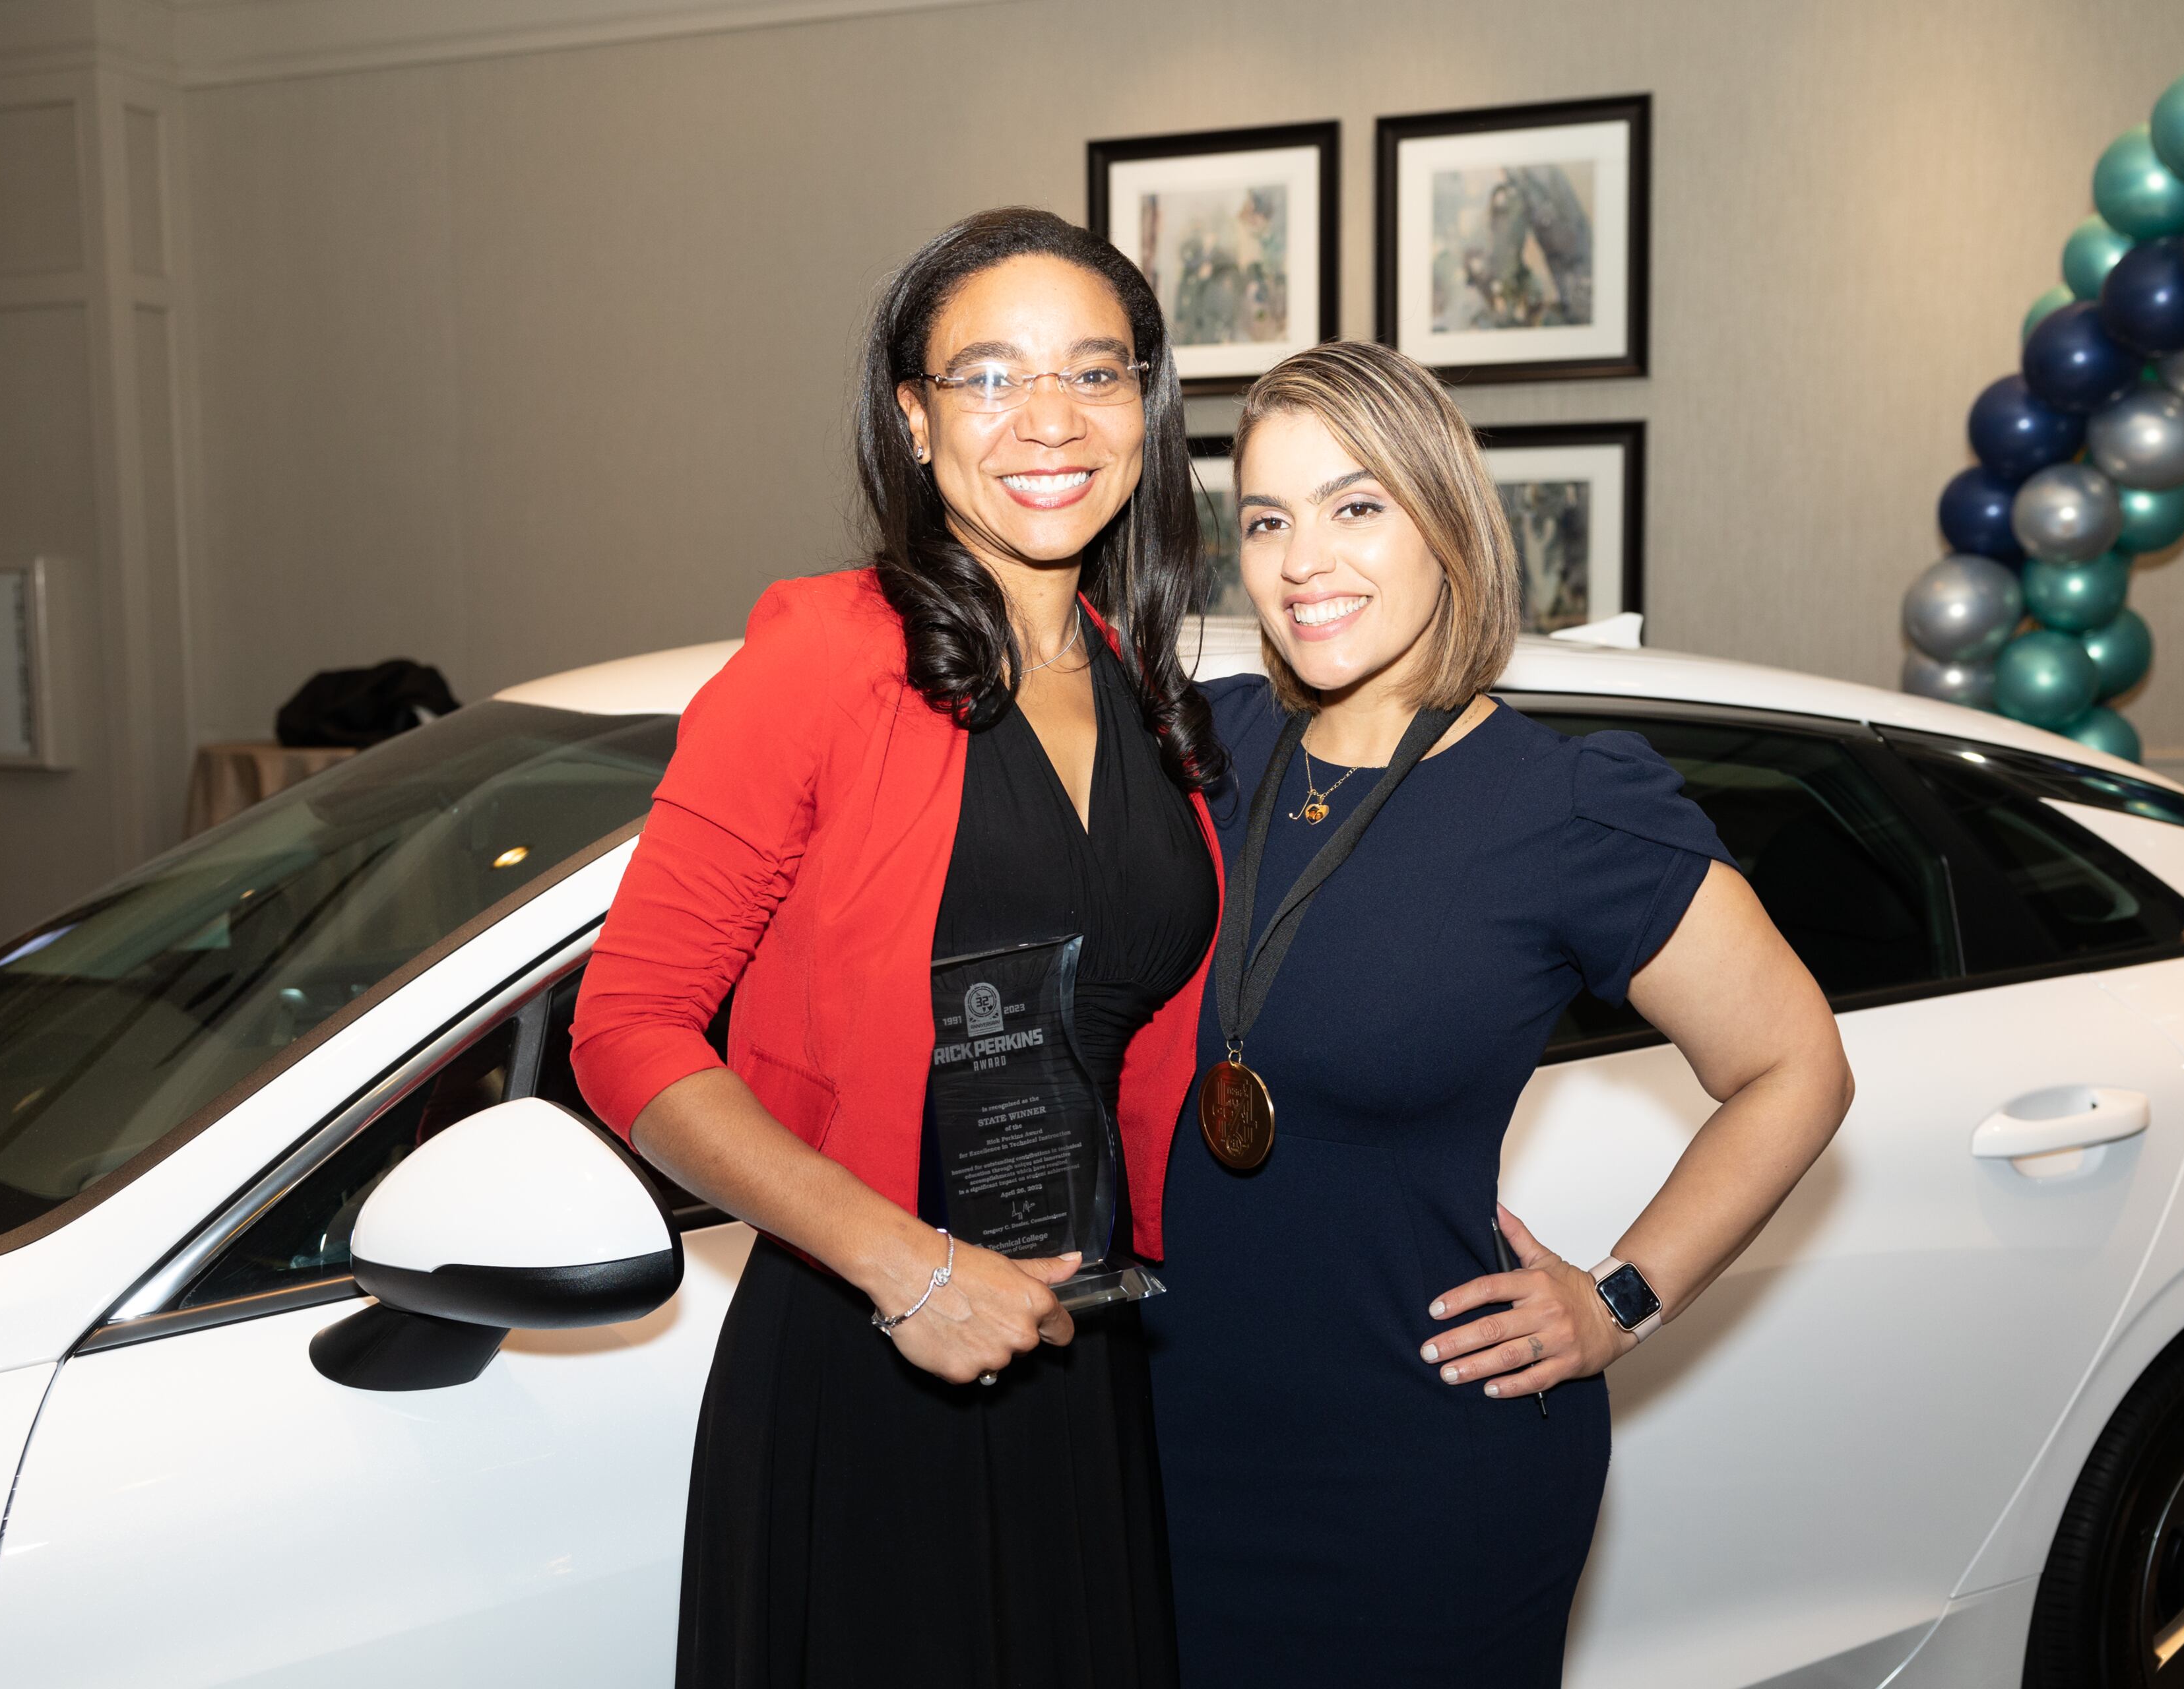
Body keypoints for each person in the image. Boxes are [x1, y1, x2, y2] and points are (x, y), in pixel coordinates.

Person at [569, 208, 1222, 1689]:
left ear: (1146, 408)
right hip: (876, 1346)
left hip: (1084, 1345)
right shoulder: (822, 659)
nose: (1049, 418)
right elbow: (629, 1027)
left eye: (1096, 373)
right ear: (915, 422)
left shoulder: (1138, 682)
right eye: (990, 376)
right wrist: (911, 1271)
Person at [1144, 340, 1853, 1686]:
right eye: (1268, 520)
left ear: (1448, 524)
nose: (1303, 562)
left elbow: (1795, 1064)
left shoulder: (1565, 806)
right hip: (1164, 1451)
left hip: (1420, 1478)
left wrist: (1620, 1301)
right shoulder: (1207, 748)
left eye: (1356, 506)